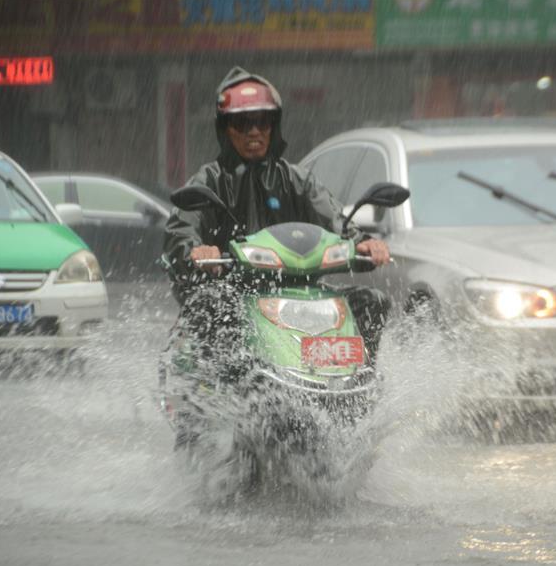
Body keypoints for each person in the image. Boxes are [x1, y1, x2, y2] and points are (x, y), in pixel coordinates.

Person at [163, 66, 391, 356]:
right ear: (225, 128)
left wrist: (363, 243)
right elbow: (181, 230)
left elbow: (334, 219)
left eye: (263, 121)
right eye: (243, 122)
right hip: (234, 292)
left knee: (371, 301)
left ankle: (357, 385)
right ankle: (227, 393)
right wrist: (195, 251)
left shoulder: (298, 180)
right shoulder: (209, 181)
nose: (254, 131)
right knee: (213, 307)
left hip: (299, 291)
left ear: (275, 125)